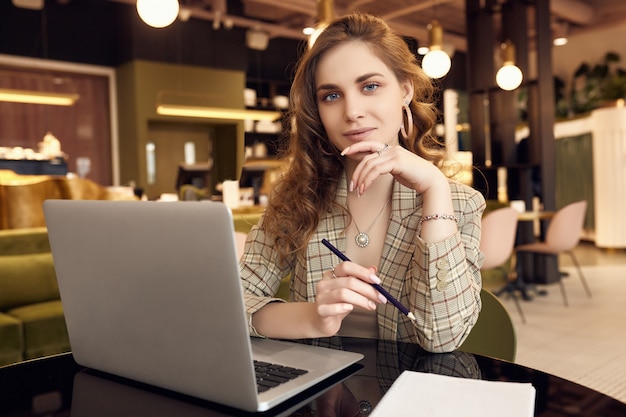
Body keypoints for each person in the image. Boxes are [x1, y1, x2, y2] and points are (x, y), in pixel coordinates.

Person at [240, 13, 485, 353]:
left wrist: (435, 190)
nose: (352, 111)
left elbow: (443, 337)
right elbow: (232, 302)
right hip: (319, 396)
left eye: (370, 86)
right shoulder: (298, 197)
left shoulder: (458, 202)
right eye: (331, 96)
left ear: (405, 90)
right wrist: (311, 318)